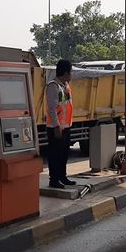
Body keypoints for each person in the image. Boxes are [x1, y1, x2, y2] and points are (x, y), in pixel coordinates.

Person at [46, 60, 76, 189]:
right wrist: (57, 126)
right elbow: (52, 108)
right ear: (65, 72)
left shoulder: (65, 85)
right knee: (55, 154)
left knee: (64, 153)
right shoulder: (53, 86)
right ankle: (54, 179)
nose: (71, 75)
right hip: (56, 127)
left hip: (66, 126)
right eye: (70, 72)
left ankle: (62, 177)